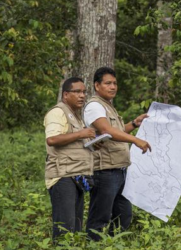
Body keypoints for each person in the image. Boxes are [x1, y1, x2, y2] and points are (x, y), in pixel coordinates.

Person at [83, 66, 151, 240]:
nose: (113, 87)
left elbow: (117, 130)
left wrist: (134, 124)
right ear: (97, 86)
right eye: (108, 83)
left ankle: (115, 244)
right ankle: (93, 244)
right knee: (100, 217)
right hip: (105, 170)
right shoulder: (95, 106)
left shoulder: (108, 106)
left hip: (119, 169)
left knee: (123, 215)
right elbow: (107, 130)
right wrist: (135, 140)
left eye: (114, 83)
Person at [44, 77, 96, 242]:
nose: (82, 96)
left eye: (84, 92)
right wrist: (81, 134)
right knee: (64, 230)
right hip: (62, 177)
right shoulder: (58, 112)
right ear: (65, 94)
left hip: (76, 176)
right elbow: (52, 139)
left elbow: (73, 143)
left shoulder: (76, 116)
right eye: (77, 92)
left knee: (75, 227)